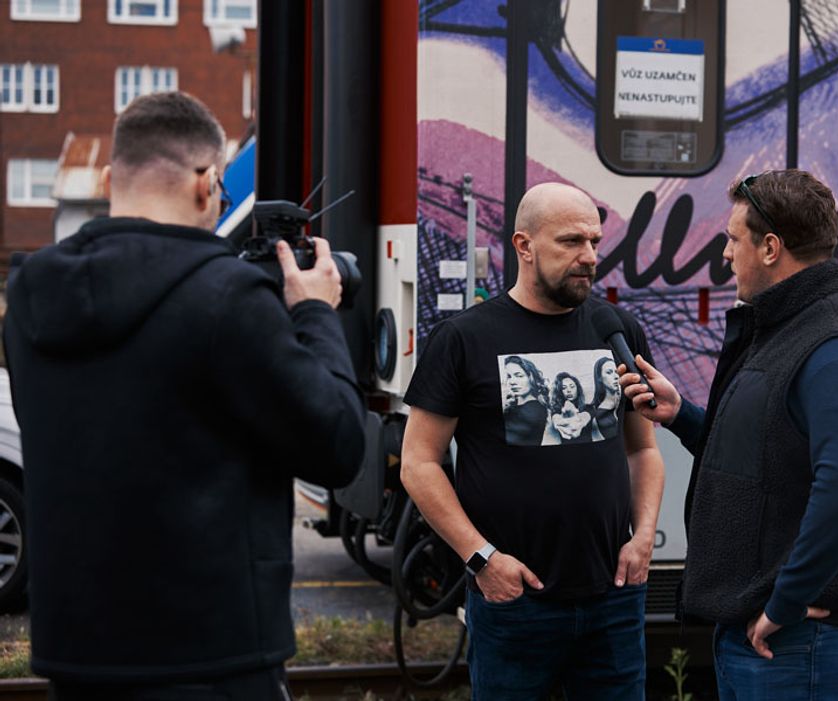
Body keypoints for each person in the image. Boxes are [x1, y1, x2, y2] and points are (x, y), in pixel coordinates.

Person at [3, 91, 367, 700]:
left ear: (111, 178)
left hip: (77, 658)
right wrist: (314, 313)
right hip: (211, 657)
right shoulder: (227, 296)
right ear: (205, 184)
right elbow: (338, 444)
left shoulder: (29, 296)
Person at [620, 170, 838, 700]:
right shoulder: (787, 329)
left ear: (771, 248)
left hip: (805, 644)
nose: (726, 254)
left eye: (733, 239)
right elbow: (763, 457)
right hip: (773, 639)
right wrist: (680, 415)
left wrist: (786, 601)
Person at [401, 182, 665, 700]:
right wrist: (482, 559)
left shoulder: (617, 329)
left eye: (594, 241)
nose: (589, 256)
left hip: (613, 598)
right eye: (571, 241)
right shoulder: (464, 338)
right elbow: (418, 463)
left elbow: (643, 449)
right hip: (514, 599)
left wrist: (642, 540)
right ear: (524, 245)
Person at [502, 354, 551, 446]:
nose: (512, 382)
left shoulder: (534, 409)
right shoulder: (513, 406)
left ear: (531, 378)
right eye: (509, 376)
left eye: (519, 376)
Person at [548, 371, 591, 444]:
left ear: (578, 389)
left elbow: (586, 416)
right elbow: (556, 418)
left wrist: (581, 421)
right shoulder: (557, 411)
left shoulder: (588, 408)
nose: (568, 390)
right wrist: (559, 421)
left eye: (572, 386)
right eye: (564, 388)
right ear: (560, 392)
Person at [587, 356, 622, 441]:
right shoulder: (599, 415)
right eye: (609, 372)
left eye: (616, 372)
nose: (616, 376)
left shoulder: (622, 401)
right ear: (599, 378)